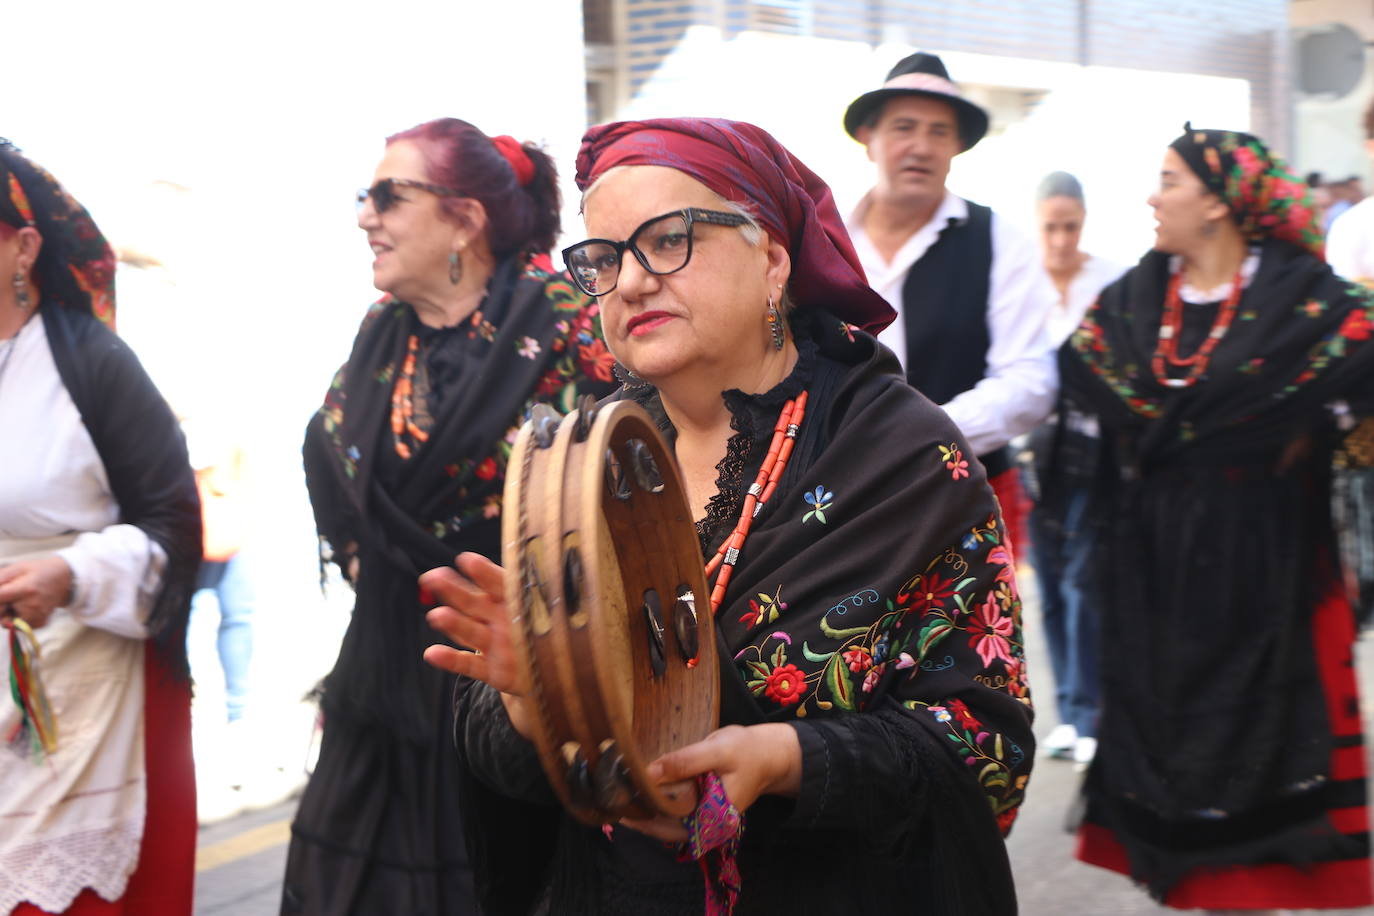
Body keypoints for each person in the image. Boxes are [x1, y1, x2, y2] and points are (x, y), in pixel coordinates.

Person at [422, 117, 1035, 916]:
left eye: (669, 240)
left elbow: (984, 747)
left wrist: (786, 757)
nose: (632, 282)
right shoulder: (583, 457)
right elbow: (511, 767)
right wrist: (536, 697)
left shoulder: (901, 456)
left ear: (772, 259)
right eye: (604, 261)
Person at [283, 118, 618, 915]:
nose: (368, 215)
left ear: (464, 218)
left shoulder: (569, 321)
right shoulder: (383, 331)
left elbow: (629, 482)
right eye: (368, 197)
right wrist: (365, 558)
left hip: (506, 674)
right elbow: (325, 448)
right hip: (383, 661)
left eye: (389, 196)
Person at [1061, 125, 1374, 910]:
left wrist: (1327, 433)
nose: (1151, 196)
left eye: (1168, 180)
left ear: (1220, 202)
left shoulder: (1310, 301)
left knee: (1261, 755)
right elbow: (1066, 381)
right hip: (1154, 562)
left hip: (1271, 561)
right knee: (1173, 754)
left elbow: (1358, 388)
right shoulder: (1132, 299)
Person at [0, 140, 201, 915]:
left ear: (24, 247)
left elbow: (174, 529)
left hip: (88, 700)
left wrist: (72, 575)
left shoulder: (93, 364)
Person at [843, 51, 1057, 551]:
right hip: (837, 496)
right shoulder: (827, 242)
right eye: (904, 127)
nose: (921, 146)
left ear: (958, 146)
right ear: (867, 138)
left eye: (940, 131)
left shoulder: (998, 240)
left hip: (966, 494)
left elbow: (1031, 378)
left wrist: (924, 437)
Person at [1024, 171, 1124, 767]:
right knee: (1052, 583)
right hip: (1035, 454)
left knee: (1085, 579)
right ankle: (1068, 712)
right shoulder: (1019, 281)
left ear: (1084, 222)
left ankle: (1092, 713)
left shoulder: (1110, 280)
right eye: (1051, 227)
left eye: (1071, 226)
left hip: (1098, 451)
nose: (1061, 239)